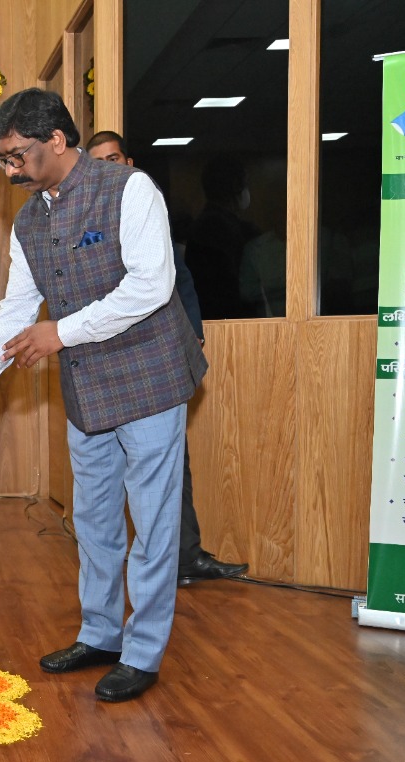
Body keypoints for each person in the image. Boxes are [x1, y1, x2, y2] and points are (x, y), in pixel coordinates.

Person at [0, 89, 207, 702]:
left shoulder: (127, 190)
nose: (9, 172)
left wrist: (59, 332)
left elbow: (151, 287)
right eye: (4, 161)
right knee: (91, 522)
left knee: (153, 524)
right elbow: (16, 307)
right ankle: (101, 634)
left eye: (17, 157)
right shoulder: (31, 218)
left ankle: (142, 654)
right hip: (87, 388)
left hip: (149, 380)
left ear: (56, 141)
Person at [86, 131, 247, 587]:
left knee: (174, 467)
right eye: (99, 163)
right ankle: (134, 570)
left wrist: (192, 333)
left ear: (130, 161)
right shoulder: (86, 219)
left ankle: (183, 557)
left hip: (161, 366)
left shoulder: (147, 208)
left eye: (115, 159)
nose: (110, 170)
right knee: (115, 478)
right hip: (110, 369)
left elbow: (179, 280)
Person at [185, 154, 259, 320]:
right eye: (244, 183)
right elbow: (231, 285)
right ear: (235, 187)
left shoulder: (209, 223)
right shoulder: (216, 227)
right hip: (225, 319)